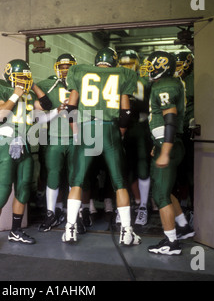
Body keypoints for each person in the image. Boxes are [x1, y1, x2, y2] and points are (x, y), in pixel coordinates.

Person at [62, 47, 141, 246]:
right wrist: (119, 134)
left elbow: (71, 107)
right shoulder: (123, 74)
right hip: (109, 128)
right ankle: (126, 231)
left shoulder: (79, 71)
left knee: (77, 180)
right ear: (113, 61)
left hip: (87, 126)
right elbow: (126, 113)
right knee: (119, 182)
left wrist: (76, 132)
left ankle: (70, 229)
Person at [0, 59, 53, 252]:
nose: (22, 81)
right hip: (7, 143)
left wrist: (34, 86)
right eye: (19, 76)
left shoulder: (28, 94)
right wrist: (15, 93)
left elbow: (46, 104)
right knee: (2, 191)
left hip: (26, 145)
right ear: (9, 76)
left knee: (23, 191)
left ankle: (15, 231)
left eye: (26, 77)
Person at [140, 51, 194, 255]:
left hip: (168, 144)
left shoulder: (165, 86)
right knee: (165, 189)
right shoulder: (169, 83)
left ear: (161, 66)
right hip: (166, 142)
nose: (148, 69)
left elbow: (170, 119)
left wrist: (165, 150)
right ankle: (183, 226)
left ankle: (171, 243)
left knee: (160, 194)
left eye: (151, 65)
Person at [36, 53, 77, 232]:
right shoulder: (47, 85)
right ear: (56, 68)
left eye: (69, 67)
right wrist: (56, 110)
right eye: (62, 67)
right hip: (55, 137)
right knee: (53, 176)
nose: (65, 70)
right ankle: (51, 213)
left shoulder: (82, 83)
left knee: (74, 177)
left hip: (76, 137)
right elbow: (38, 117)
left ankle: (73, 215)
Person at [118, 50, 152, 226]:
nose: (127, 67)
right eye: (123, 64)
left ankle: (144, 206)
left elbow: (147, 109)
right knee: (122, 170)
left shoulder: (144, 82)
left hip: (139, 128)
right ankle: (127, 205)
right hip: (121, 128)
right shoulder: (115, 81)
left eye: (130, 63)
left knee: (142, 168)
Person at [174, 51, 195, 214]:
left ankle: (194, 205)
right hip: (178, 129)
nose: (177, 69)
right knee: (179, 169)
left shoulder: (192, 80)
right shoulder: (174, 81)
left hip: (191, 130)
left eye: (180, 65)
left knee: (191, 169)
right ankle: (182, 200)